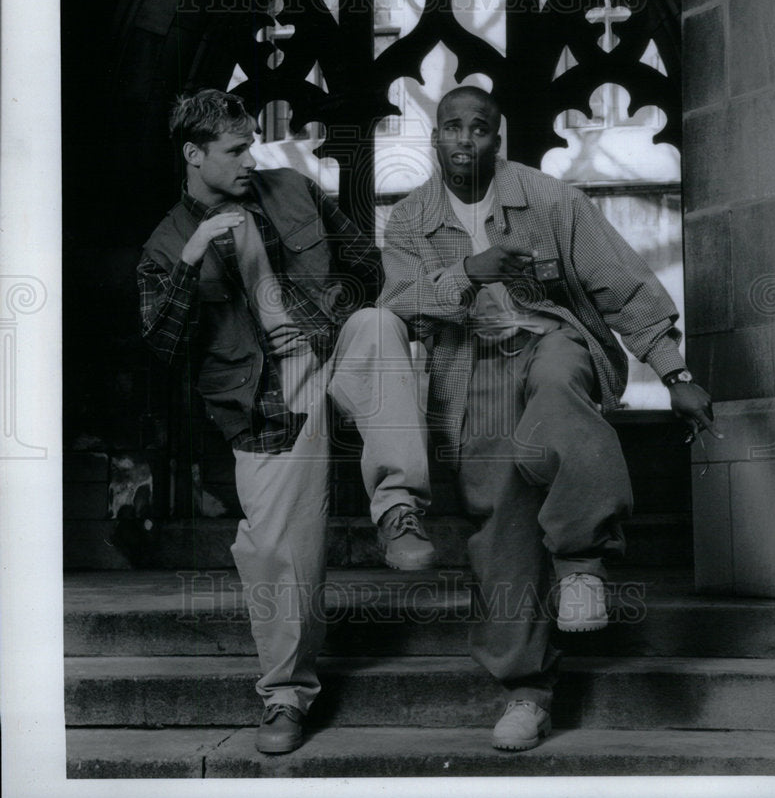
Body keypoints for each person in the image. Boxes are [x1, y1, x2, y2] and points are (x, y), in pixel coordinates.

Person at [378, 85, 721, 752]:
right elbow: (400, 303)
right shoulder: (411, 221)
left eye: (479, 128)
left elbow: (618, 282)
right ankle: (526, 693)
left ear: (496, 137)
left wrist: (674, 371)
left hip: (549, 339)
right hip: (469, 372)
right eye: (453, 127)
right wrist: (471, 272)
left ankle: (583, 562)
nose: (464, 140)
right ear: (436, 136)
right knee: (504, 516)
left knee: (560, 382)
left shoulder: (548, 199)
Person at [137, 89, 435, 755]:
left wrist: (334, 304)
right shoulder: (166, 243)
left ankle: (398, 509)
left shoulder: (293, 188)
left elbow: (367, 268)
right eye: (235, 149)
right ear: (194, 154)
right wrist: (193, 259)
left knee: (380, 324)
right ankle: (283, 697)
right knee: (276, 556)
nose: (250, 159)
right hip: (267, 398)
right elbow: (159, 344)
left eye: (252, 145)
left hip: (336, 345)